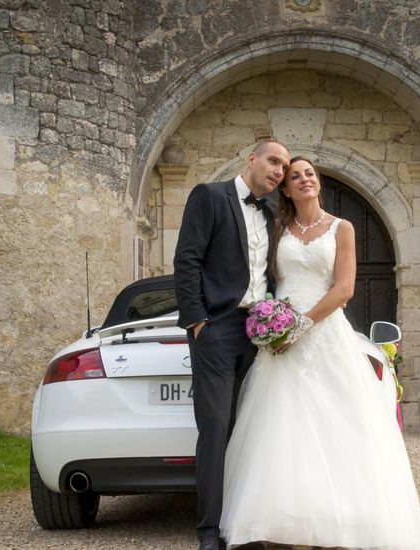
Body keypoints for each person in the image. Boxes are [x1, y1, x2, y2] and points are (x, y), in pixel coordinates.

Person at [219, 157, 420, 549]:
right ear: (287, 190)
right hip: (282, 343)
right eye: (295, 176)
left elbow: (344, 289)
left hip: (324, 334)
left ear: (318, 183)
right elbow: (263, 277)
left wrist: (302, 326)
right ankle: (289, 524)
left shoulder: (341, 228)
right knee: (283, 429)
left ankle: (345, 522)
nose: (303, 179)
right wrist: (270, 323)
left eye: (309, 173)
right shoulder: (278, 229)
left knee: (339, 425)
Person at [174, 140, 291, 550]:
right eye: (274, 161)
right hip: (218, 330)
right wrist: (197, 321)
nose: (279, 171)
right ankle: (209, 530)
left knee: (253, 430)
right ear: (252, 159)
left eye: (285, 166)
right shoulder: (209, 196)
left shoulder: (274, 214)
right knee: (216, 428)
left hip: (260, 335)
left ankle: (245, 525)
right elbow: (187, 259)